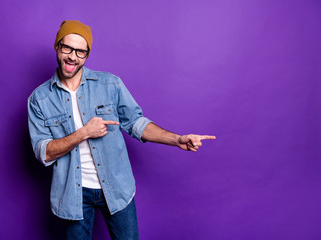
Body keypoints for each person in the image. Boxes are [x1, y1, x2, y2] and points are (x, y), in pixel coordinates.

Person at [28, 20, 216, 240]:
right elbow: (44, 152)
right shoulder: (39, 99)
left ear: (87, 55)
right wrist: (84, 133)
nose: (72, 56)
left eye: (80, 51)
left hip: (117, 188)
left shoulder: (110, 85)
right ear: (57, 47)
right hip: (73, 193)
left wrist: (176, 139)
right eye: (67, 48)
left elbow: (136, 123)